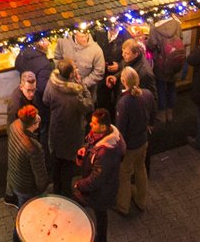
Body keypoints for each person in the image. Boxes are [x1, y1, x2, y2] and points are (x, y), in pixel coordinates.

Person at [73, 108, 124, 242]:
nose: (90, 124)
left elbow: (96, 180)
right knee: (100, 214)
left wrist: (79, 184)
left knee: (100, 214)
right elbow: (91, 145)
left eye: (94, 123)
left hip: (101, 191)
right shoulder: (101, 136)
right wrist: (85, 150)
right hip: (101, 189)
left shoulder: (105, 153)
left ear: (102, 127)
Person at [44, 60, 92, 194]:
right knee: (68, 168)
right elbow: (89, 106)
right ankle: (65, 194)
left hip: (55, 132)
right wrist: (82, 84)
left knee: (56, 164)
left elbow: (45, 100)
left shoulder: (51, 84)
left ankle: (56, 189)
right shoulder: (76, 95)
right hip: (72, 135)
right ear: (71, 74)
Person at [113, 67, 155, 216]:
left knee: (124, 174)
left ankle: (123, 205)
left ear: (123, 81)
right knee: (140, 169)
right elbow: (153, 113)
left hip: (129, 146)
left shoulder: (124, 102)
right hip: (143, 141)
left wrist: (118, 148)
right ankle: (141, 201)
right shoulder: (147, 94)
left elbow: (120, 129)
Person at [6, 104, 51, 208]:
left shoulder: (14, 125)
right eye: (37, 118)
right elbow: (40, 174)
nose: (39, 118)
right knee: (27, 210)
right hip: (26, 187)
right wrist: (42, 188)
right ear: (33, 125)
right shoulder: (33, 148)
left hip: (14, 178)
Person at [147, 15, 186, 121]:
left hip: (161, 65)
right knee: (172, 87)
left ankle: (162, 114)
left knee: (161, 88)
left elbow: (150, 46)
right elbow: (181, 38)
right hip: (176, 62)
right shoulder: (177, 24)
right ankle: (170, 113)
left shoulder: (154, 29)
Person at [6, 68, 50, 157]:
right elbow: (12, 129)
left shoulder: (31, 93)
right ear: (21, 87)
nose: (32, 94)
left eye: (33, 90)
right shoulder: (15, 105)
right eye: (28, 90)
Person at [58, 27, 106, 95]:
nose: (84, 39)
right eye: (81, 36)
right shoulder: (63, 41)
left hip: (86, 92)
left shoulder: (96, 50)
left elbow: (99, 72)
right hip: (65, 89)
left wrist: (82, 84)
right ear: (74, 34)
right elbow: (57, 57)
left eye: (86, 35)